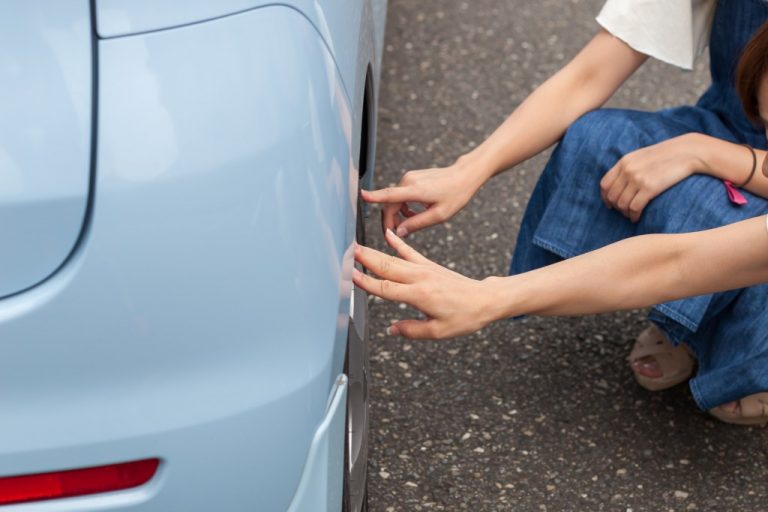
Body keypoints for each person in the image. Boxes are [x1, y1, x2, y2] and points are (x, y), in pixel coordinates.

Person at [356, 0, 768, 426]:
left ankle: (747, 356)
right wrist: (468, 170)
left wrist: (489, 297)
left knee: (737, 249)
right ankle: (700, 323)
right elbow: (588, 75)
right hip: (731, 134)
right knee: (603, 142)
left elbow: (679, 263)